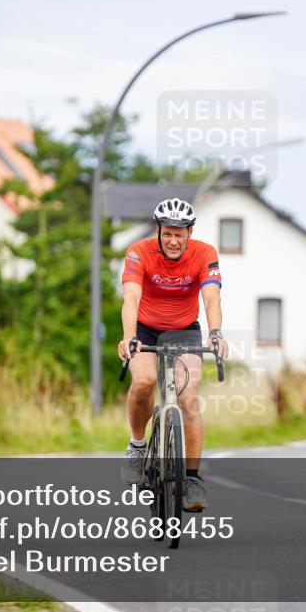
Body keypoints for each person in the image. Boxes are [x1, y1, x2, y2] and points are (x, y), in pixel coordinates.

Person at [117, 197, 228, 512]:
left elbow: (211, 297)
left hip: (184, 330)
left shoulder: (204, 254)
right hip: (145, 327)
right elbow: (131, 296)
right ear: (158, 230)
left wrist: (216, 333)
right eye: (168, 233)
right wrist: (129, 338)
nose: (173, 240)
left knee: (188, 397)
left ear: (190, 232)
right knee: (144, 380)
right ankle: (138, 446)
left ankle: (191, 478)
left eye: (180, 234)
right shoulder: (139, 252)